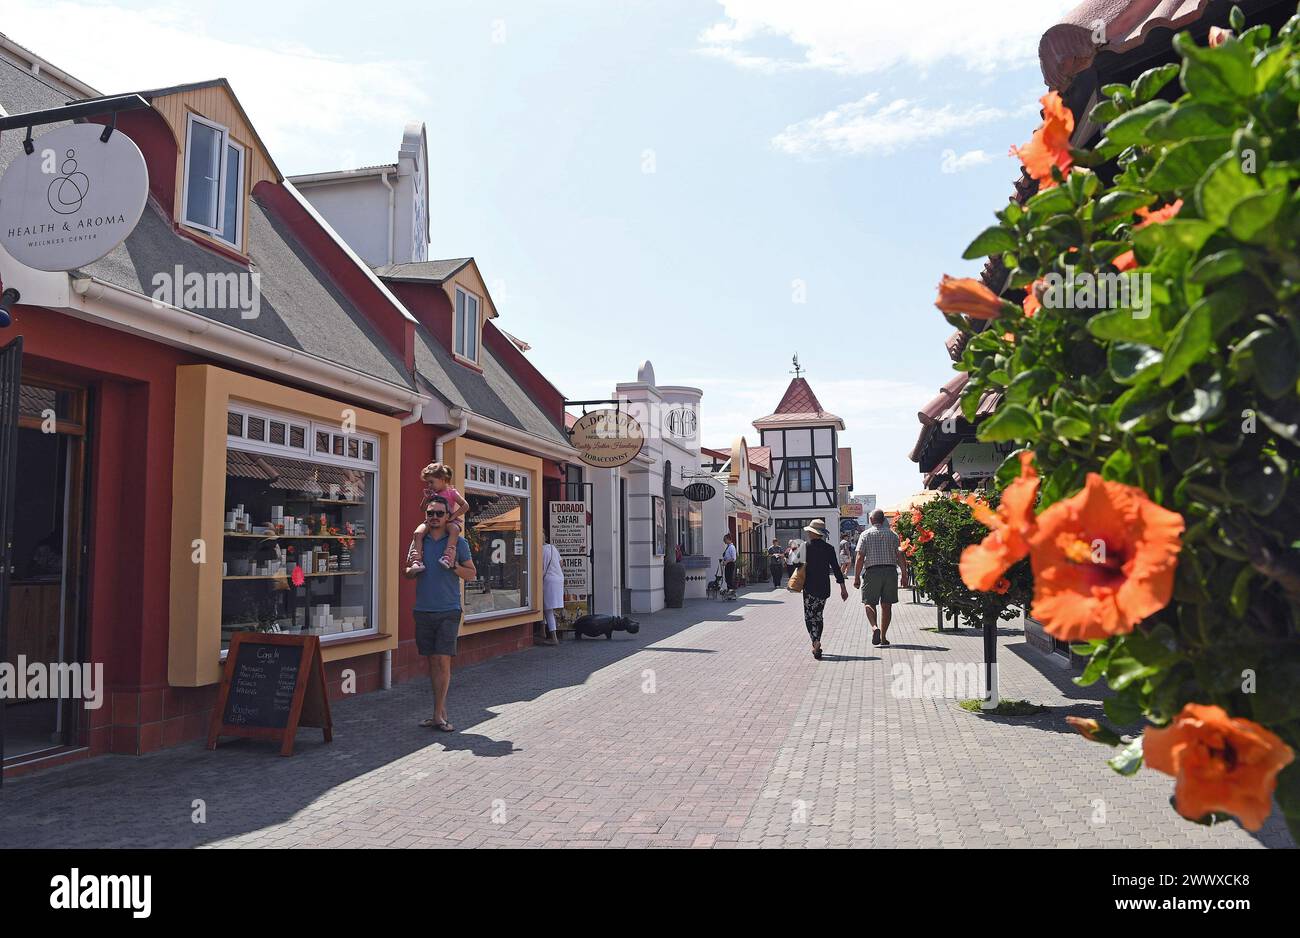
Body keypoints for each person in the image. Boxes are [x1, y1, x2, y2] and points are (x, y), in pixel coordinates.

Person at [405, 495, 475, 731]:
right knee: (432, 662)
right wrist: (412, 570)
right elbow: (407, 572)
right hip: (423, 610)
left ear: (448, 517)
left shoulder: (459, 544)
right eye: (430, 513)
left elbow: (471, 574)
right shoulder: (419, 541)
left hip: (448, 610)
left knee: (442, 662)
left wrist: (453, 565)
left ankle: (437, 715)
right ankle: (439, 711)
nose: (434, 517)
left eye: (439, 513)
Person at [853, 508, 907, 648]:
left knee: (869, 602)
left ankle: (874, 627)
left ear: (871, 520)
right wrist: (905, 575)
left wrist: (857, 576)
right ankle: (883, 637)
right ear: (883, 520)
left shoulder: (865, 535)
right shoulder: (893, 535)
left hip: (872, 572)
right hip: (890, 572)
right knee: (887, 605)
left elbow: (860, 557)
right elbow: (900, 555)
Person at [405, 462, 471, 575]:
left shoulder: (451, 492)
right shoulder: (432, 494)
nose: (429, 485)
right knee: (417, 533)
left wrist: (453, 516)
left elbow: (465, 506)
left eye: (431, 482)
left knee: (454, 530)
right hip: (431, 522)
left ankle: (447, 557)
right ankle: (417, 561)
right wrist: (426, 499)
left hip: (448, 521)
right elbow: (422, 509)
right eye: (428, 483)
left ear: (442, 479)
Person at [800, 520, 848, 660]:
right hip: (823, 587)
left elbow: (796, 564)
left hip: (809, 587)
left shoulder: (805, 547)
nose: (808, 533)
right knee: (818, 615)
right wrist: (843, 588)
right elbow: (836, 569)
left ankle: (815, 641)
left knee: (809, 616)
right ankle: (817, 639)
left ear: (812, 533)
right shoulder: (829, 548)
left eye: (809, 531)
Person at [540, 531, 565, 646]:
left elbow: (540, 569)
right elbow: (561, 563)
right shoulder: (552, 547)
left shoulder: (540, 551)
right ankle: (543, 632)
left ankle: (553, 637)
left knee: (548, 609)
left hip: (548, 581)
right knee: (547, 607)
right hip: (559, 579)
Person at [721, 534, 738, 600]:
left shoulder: (732, 547)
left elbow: (733, 558)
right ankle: (730, 594)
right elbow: (726, 556)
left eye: (725, 539)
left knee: (730, 579)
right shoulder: (728, 547)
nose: (724, 541)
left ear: (728, 539)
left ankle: (733, 594)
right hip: (728, 564)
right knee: (727, 579)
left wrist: (726, 561)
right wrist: (723, 560)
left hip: (730, 564)